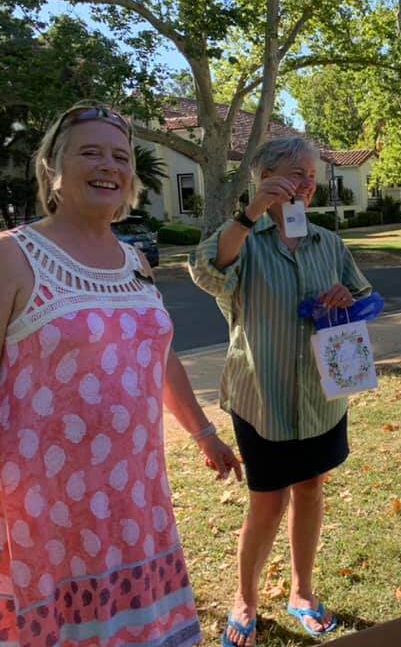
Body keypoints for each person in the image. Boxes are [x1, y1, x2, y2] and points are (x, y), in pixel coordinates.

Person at [0, 102, 241, 646]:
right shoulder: (13, 257)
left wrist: (204, 433)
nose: (109, 165)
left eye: (120, 156)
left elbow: (158, 355)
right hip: (42, 514)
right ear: (52, 169)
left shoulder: (134, 261)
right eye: (90, 152)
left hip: (135, 499)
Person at [189, 137, 372, 646]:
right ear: (266, 177)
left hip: (320, 397)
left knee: (311, 489)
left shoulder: (329, 243)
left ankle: (302, 592)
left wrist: (344, 300)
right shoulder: (246, 240)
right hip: (261, 396)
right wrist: (252, 211)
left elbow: (364, 299)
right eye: (295, 174)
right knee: (266, 503)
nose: (306, 184)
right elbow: (207, 270)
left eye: (311, 175)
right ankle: (244, 599)